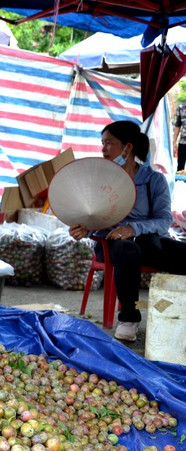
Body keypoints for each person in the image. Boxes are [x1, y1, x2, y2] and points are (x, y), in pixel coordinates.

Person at [69, 120, 186, 342]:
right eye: (102, 143)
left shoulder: (153, 180)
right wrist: (82, 227)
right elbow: (91, 216)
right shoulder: (100, 181)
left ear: (127, 148)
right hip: (112, 245)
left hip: (148, 242)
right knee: (127, 250)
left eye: (109, 143)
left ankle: (178, 315)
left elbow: (163, 220)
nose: (103, 149)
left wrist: (133, 228)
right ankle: (129, 318)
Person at [173, 101, 186, 172]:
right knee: (180, 168)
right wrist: (174, 141)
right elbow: (178, 125)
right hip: (183, 142)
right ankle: (180, 182)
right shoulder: (181, 107)